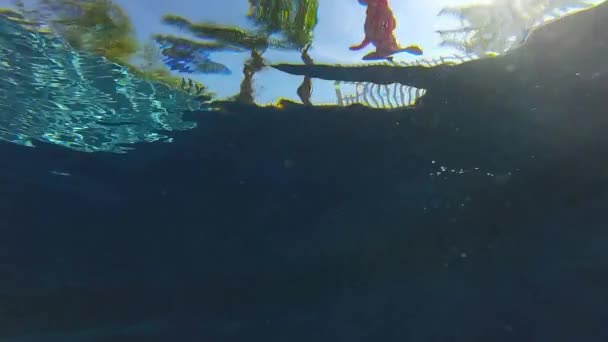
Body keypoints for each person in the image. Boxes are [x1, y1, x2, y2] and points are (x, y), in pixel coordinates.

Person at [350, 0, 423, 61]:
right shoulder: (371, 11)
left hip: (384, 39)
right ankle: (387, 54)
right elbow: (368, 36)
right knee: (366, 58)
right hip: (377, 38)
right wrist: (359, 46)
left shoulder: (383, 9)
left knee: (389, 49)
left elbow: (392, 22)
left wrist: (388, 32)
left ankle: (395, 51)